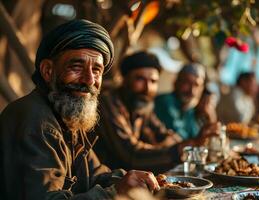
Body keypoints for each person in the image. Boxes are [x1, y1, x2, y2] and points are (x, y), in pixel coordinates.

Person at [0, 19, 160, 200]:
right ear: (47, 71)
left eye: (97, 70)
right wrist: (115, 192)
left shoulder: (65, 114)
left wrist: (130, 179)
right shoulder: (36, 120)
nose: (89, 80)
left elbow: (96, 175)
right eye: (76, 67)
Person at [93, 51, 219, 173]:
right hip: (107, 184)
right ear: (124, 79)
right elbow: (132, 156)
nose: (147, 88)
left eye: (153, 81)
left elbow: (165, 135)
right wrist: (190, 144)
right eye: (140, 79)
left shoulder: (143, 105)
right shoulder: (108, 103)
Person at [154, 63, 212, 139]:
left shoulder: (190, 109)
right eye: (187, 83)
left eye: (197, 85)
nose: (192, 91)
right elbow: (181, 137)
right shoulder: (165, 102)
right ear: (176, 82)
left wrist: (210, 117)